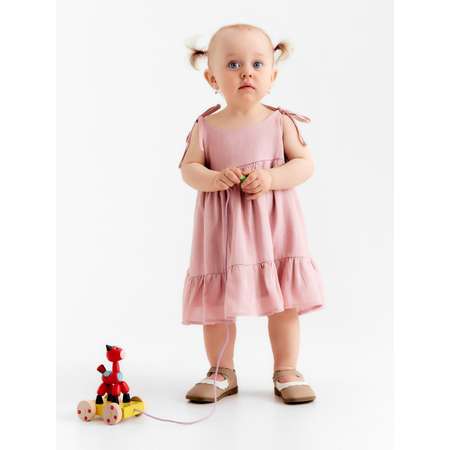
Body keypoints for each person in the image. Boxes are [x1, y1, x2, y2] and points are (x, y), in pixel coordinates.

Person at [178, 23, 325, 405]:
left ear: (272, 75)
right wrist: (213, 178)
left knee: (284, 299)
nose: (246, 72)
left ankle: (286, 369)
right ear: (212, 78)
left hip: (274, 227)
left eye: (258, 64)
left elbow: (304, 164)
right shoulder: (206, 126)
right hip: (224, 230)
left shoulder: (279, 122)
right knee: (217, 304)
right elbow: (189, 169)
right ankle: (221, 370)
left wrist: (272, 177)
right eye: (233, 65)